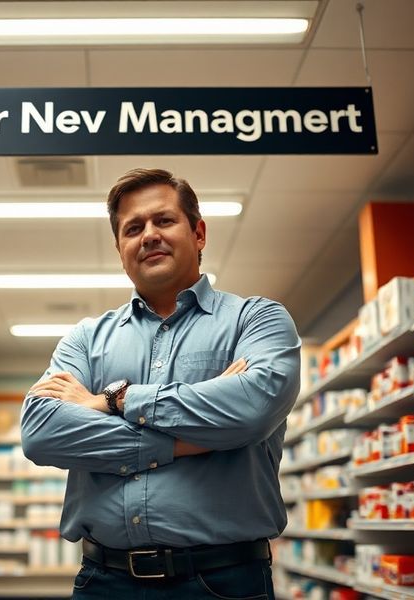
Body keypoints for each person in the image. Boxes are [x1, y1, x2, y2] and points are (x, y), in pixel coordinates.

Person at [21, 168, 301, 599]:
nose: (149, 235)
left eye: (164, 220)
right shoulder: (86, 338)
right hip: (103, 581)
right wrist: (189, 440)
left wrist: (114, 399)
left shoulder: (256, 320)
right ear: (120, 249)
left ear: (199, 234)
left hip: (223, 582)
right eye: (133, 228)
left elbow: (252, 409)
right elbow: (42, 432)